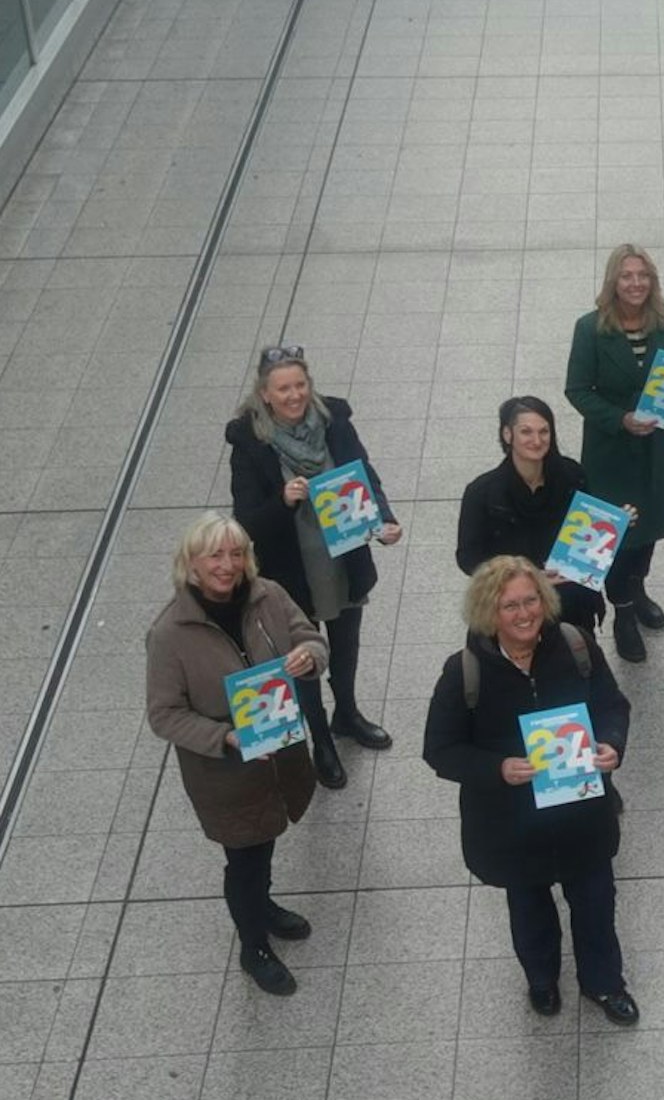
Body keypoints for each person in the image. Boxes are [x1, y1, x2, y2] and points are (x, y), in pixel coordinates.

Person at [422, 556, 639, 1025]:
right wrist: (497, 768)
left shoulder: (576, 646)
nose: (525, 614)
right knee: (528, 908)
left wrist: (612, 744)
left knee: (596, 904)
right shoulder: (464, 672)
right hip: (512, 824)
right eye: (510, 606)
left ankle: (604, 982)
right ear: (489, 612)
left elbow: (611, 705)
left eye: (531, 600)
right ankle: (542, 980)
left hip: (582, 816)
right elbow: (440, 750)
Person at [145, 512, 327, 996]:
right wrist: (225, 738)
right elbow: (164, 715)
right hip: (226, 776)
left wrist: (309, 657)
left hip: (279, 759)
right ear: (191, 564)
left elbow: (311, 637)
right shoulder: (169, 634)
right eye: (214, 556)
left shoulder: (270, 596)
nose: (227, 565)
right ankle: (253, 947)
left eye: (236, 553)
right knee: (244, 859)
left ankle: (263, 907)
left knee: (264, 842)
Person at [226, 344, 401, 791]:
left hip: (343, 560)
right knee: (303, 656)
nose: (294, 396)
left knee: (345, 645)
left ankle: (347, 714)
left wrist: (384, 518)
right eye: (283, 389)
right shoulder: (249, 442)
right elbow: (245, 522)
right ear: (265, 394)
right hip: (290, 572)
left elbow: (365, 473)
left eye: (300, 385)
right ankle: (319, 738)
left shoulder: (334, 420)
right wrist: (282, 501)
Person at [566, 242, 664, 664]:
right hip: (611, 451)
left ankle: (638, 588)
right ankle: (623, 612)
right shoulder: (590, 328)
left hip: (657, 449)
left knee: (650, 527)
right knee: (616, 533)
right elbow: (576, 390)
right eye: (627, 276)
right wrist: (621, 418)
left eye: (643, 275)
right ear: (613, 282)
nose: (636, 283)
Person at [455, 396, 609, 635]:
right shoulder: (481, 493)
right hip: (515, 605)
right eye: (526, 432)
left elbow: (589, 533)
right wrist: (527, 577)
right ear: (508, 435)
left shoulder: (572, 475)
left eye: (544, 431)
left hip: (571, 601)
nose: (537, 441)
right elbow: (468, 557)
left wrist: (613, 525)